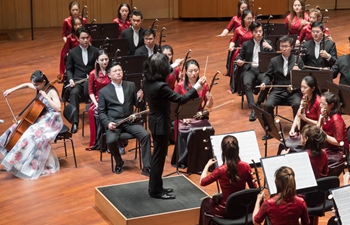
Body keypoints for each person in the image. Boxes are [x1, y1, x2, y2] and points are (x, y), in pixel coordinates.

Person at [143, 53, 206, 199]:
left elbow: (158, 71)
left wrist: (173, 65)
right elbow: (182, 98)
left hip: (155, 121)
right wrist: (197, 87)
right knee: (159, 158)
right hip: (162, 124)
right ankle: (155, 191)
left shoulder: (148, 80)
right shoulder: (161, 86)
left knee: (157, 156)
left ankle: (156, 186)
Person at [0, 70, 63, 180]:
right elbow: (26, 85)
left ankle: (27, 165)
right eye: (34, 84)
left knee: (31, 136)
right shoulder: (39, 86)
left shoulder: (51, 91)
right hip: (42, 116)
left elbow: (58, 108)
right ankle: (12, 158)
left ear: (43, 82)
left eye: (36, 85)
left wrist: (46, 97)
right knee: (16, 127)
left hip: (52, 119)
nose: (35, 87)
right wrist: (12, 90)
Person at [98, 62, 151, 176]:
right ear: (109, 75)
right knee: (110, 141)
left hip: (130, 122)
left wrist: (140, 99)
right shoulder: (104, 91)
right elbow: (101, 112)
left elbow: (137, 105)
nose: (118, 72)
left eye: (120, 70)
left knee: (145, 135)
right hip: (115, 124)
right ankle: (118, 161)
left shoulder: (130, 85)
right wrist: (108, 123)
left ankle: (147, 166)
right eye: (115, 71)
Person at [199, 135, 256, 225]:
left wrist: (207, 165)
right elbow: (254, 188)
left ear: (223, 151)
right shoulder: (246, 166)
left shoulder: (221, 170)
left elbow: (202, 182)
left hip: (225, 210)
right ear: (237, 149)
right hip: (243, 208)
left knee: (205, 202)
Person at [172, 59, 214, 169]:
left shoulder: (204, 85)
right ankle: (184, 159)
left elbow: (209, 105)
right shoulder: (180, 85)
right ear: (186, 72)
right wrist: (183, 117)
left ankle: (204, 158)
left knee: (208, 128)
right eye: (190, 71)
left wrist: (210, 99)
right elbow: (175, 105)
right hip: (183, 116)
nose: (193, 73)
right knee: (186, 130)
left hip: (197, 116)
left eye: (195, 70)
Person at [260, 35, 304, 140]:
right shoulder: (274, 60)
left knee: (298, 104)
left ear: (291, 47)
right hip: (277, 90)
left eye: (286, 46)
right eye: (282, 46)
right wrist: (264, 83)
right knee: (268, 105)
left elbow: (303, 78)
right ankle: (271, 131)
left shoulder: (298, 60)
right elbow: (268, 75)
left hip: (293, 91)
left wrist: (297, 73)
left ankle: (297, 130)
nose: (283, 48)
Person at [236, 21, 273, 121]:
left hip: (262, 70)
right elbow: (240, 56)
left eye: (260, 31)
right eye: (256, 31)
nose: (259, 34)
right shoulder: (246, 44)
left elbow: (274, 59)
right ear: (252, 32)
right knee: (246, 82)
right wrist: (239, 60)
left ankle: (258, 103)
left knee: (267, 82)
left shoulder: (268, 43)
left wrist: (271, 48)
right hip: (250, 69)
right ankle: (253, 108)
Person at [66, 26, 99, 133]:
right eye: (83, 38)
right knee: (74, 93)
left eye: (87, 38)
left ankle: (97, 117)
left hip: (91, 80)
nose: (85, 40)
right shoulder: (72, 52)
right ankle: (75, 122)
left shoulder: (95, 51)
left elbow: (99, 67)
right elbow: (69, 69)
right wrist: (70, 79)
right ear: (77, 38)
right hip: (77, 81)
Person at [278, 75, 321, 153]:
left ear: (313, 88)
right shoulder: (305, 97)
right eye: (301, 87)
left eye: (305, 87)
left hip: (312, 134)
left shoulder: (318, 102)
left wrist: (305, 119)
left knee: (292, 150)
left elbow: (319, 124)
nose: (302, 90)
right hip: (303, 131)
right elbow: (298, 115)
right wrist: (292, 128)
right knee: (282, 145)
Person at [318, 91, 349, 176]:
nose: (320, 106)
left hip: (337, 150)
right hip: (327, 144)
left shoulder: (336, 120)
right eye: (320, 103)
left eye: (323, 104)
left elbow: (338, 142)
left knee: (318, 159)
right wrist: (320, 119)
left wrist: (323, 134)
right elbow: (318, 129)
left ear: (331, 105)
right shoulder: (325, 113)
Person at [86, 50, 111, 151]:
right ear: (97, 61)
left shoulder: (111, 71)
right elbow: (91, 92)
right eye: (102, 60)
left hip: (110, 99)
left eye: (106, 59)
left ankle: (114, 142)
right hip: (97, 99)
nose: (105, 62)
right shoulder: (93, 73)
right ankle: (98, 141)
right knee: (93, 111)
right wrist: (96, 103)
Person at [227, 9, 254, 94]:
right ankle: (236, 87)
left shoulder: (255, 28)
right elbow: (233, 41)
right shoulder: (238, 29)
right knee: (237, 66)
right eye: (248, 18)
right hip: (241, 52)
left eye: (251, 18)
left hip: (253, 52)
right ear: (243, 19)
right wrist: (231, 46)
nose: (250, 20)